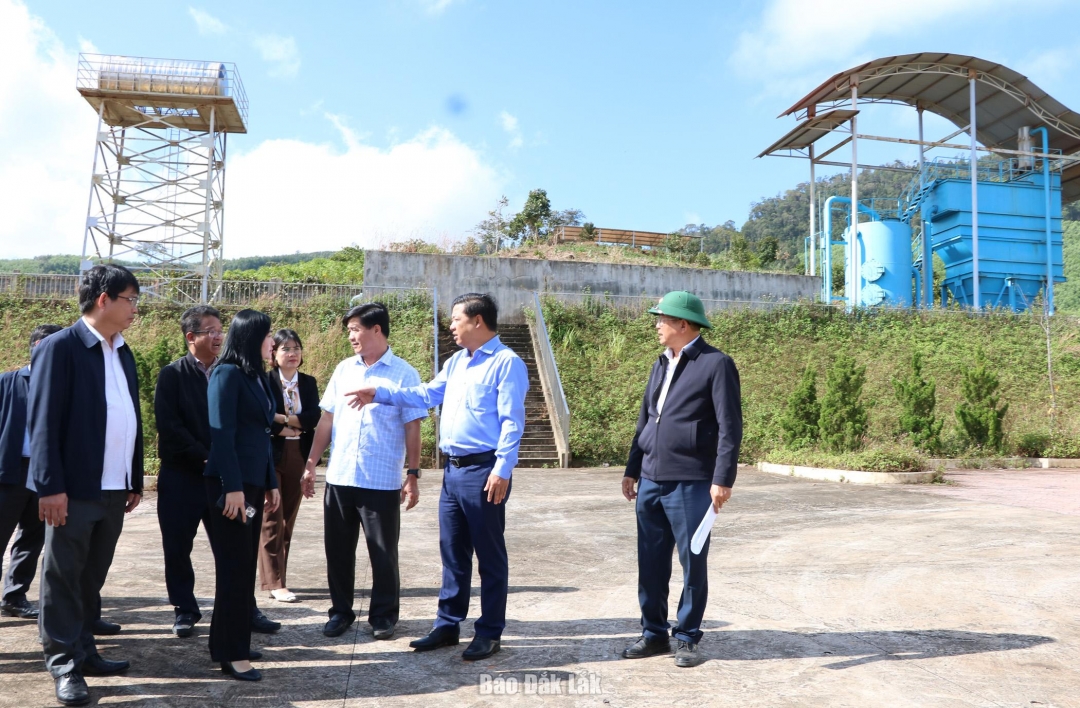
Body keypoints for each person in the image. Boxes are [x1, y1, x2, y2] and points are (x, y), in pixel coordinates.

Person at [348, 293, 528, 661]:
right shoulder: (457, 362)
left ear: (477, 321)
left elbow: (513, 421)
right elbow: (427, 394)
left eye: (456, 319)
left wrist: (502, 469)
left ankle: (489, 632)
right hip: (453, 471)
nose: (451, 325)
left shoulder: (506, 363)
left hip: (484, 471)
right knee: (453, 553)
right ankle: (447, 625)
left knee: (489, 557)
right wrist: (379, 393)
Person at [29, 264, 145, 707]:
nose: (135, 308)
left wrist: (133, 477)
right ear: (103, 300)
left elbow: (130, 417)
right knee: (62, 578)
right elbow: (43, 422)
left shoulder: (123, 352)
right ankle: (64, 665)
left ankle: (84, 650)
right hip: (73, 489)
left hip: (115, 488)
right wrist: (49, 487)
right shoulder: (60, 348)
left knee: (90, 577)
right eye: (130, 299)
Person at [620, 291, 742, 669]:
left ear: (683, 324)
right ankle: (654, 633)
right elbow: (646, 419)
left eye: (662, 319)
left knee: (692, 562)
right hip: (651, 479)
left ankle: (687, 637)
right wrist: (632, 468)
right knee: (650, 563)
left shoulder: (716, 364)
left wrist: (722, 478)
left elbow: (729, 426)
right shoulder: (660, 363)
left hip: (691, 481)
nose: (657, 325)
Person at [302, 304, 426, 640]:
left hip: (380, 479)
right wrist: (311, 464)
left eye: (355, 329)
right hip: (340, 477)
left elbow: (413, 426)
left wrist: (413, 474)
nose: (351, 336)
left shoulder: (404, 374)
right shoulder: (344, 370)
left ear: (376, 329)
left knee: (383, 553)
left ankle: (383, 616)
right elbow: (327, 419)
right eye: (349, 331)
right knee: (338, 552)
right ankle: (340, 612)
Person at [204, 309, 281, 682]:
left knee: (242, 568)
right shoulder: (226, 374)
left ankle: (229, 643)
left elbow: (262, 435)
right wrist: (233, 487)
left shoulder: (257, 376)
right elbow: (222, 434)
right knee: (234, 570)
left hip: (252, 484)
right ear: (251, 338)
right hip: (230, 487)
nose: (273, 343)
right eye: (267, 336)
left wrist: (271, 482)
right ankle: (232, 655)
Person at [154, 305, 223, 638]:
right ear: (191, 336)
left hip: (222, 476)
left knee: (231, 547)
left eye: (220, 330)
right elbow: (169, 426)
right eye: (211, 331)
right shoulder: (173, 375)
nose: (218, 336)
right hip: (181, 477)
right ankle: (185, 608)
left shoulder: (229, 372)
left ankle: (242, 607)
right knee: (178, 547)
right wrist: (204, 456)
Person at [0, 324, 62, 622]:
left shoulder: (64, 389)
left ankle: (14, 596)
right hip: (8, 471)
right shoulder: (7, 383)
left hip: (43, 473)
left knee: (32, 537)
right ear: (35, 347)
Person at [259, 329, 320, 604]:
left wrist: (283, 419)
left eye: (296, 348)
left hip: (298, 453)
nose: (292, 353)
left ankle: (277, 576)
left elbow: (313, 418)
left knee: (288, 520)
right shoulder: (265, 380)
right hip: (270, 454)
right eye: (286, 349)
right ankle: (275, 583)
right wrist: (287, 424)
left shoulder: (308, 382)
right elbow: (263, 417)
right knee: (271, 516)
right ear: (274, 354)